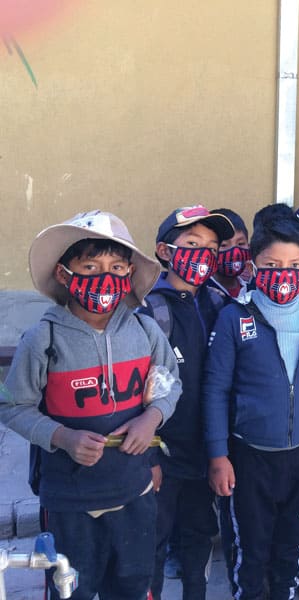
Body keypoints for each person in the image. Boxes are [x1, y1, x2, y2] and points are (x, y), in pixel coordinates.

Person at [0, 211, 181, 600]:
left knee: (134, 586)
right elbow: (12, 407)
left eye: (116, 266)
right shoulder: (42, 339)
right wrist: (61, 436)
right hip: (69, 501)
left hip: (134, 492)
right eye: (91, 266)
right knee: (72, 589)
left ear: (130, 273)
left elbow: (169, 384)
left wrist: (152, 417)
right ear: (66, 275)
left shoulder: (146, 331)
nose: (105, 276)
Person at [202, 206, 299, 600]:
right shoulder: (235, 318)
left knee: (291, 544)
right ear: (254, 265)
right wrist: (218, 455)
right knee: (251, 547)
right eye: (272, 264)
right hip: (250, 458)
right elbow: (216, 390)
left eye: (296, 264)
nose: (285, 273)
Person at [142, 205, 235, 600]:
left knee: (199, 537)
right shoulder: (148, 309)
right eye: (192, 244)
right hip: (161, 454)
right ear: (165, 251)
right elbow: (133, 392)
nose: (203, 255)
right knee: (152, 544)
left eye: (211, 247)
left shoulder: (219, 302)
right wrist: (147, 455)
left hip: (205, 452)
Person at [209, 208, 252, 299]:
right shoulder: (203, 293)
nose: (235, 253)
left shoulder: (254, 291)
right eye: (224, 245)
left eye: (240, 244)